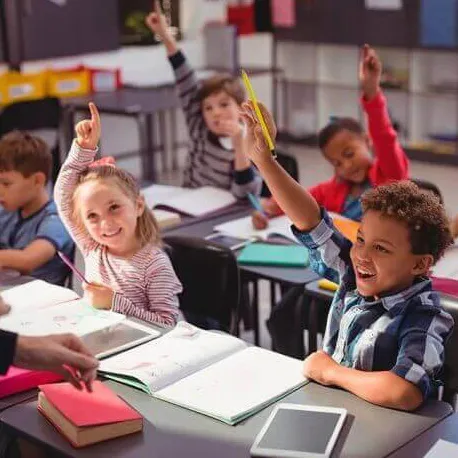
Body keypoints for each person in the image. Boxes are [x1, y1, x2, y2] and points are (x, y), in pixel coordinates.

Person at [240, 100, 454, 411]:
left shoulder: (425, 313)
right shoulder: (354, 275)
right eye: (361, 240)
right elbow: (311, 221)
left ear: (420, 263)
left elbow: (404, 391)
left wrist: (332, 372)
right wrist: (264, 160)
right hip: (338, 412)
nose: (362, 256)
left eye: (381, 248)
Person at [252, 44, 409, 229]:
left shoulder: (390, 178)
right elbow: (301, 198)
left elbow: (384, 136)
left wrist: (372, 91)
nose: (347, 166)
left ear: (367, 141)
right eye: (337, 163)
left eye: (349, 154)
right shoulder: (334, 189)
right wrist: (267, 210)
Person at [54, 103, 182, 327]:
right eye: (92, 216)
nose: (105, 223)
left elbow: (167, 324)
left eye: (114, 207)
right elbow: (63, 197)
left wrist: (114, 302)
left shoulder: (155, 264)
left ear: (138, 205)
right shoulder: (93, 248)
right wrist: (84, 149)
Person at [145, 0, 262, 199]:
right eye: (208, 108)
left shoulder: (252, 143)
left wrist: (239, 146)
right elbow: (185, 78)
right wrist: (165, 36)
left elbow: (246, 196)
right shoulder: (199, 128)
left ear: (242, 108)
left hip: (223, 216)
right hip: (189, 206)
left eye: (224, 104)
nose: (215, 112)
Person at [0, 131, 74, 285]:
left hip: (43, 300)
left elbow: (28, 259)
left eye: (6, 184)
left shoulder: (56, 219)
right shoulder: (8, 211)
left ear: (37, 181)